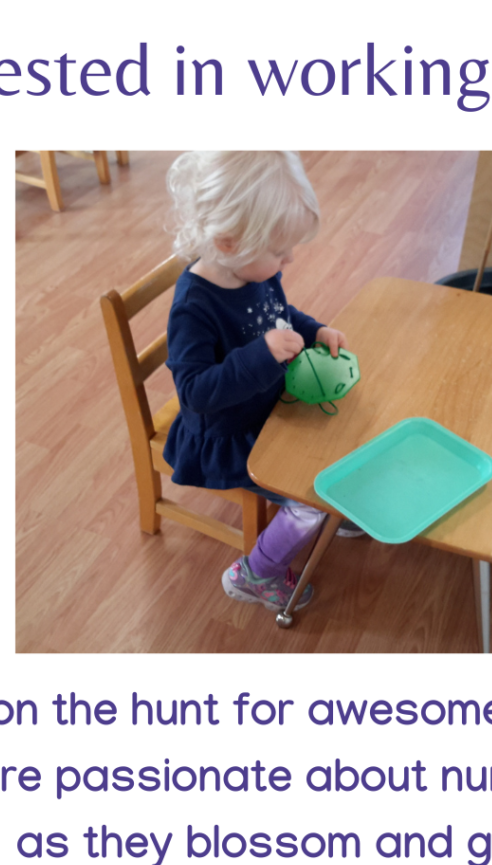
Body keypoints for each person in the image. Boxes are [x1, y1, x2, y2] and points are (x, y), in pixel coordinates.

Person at [163, 151, 355, 613]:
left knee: (342, 440)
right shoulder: (194, 306)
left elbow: (280, 317)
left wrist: (313, 331)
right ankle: (255, 574)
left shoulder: (253, 270)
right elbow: (194, 393)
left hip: (266, 408)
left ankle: (336, 508)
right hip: (227, 436)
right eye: (278, 249)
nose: (288, 259)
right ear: (229, 242)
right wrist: (260, 355)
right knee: (310, 500)